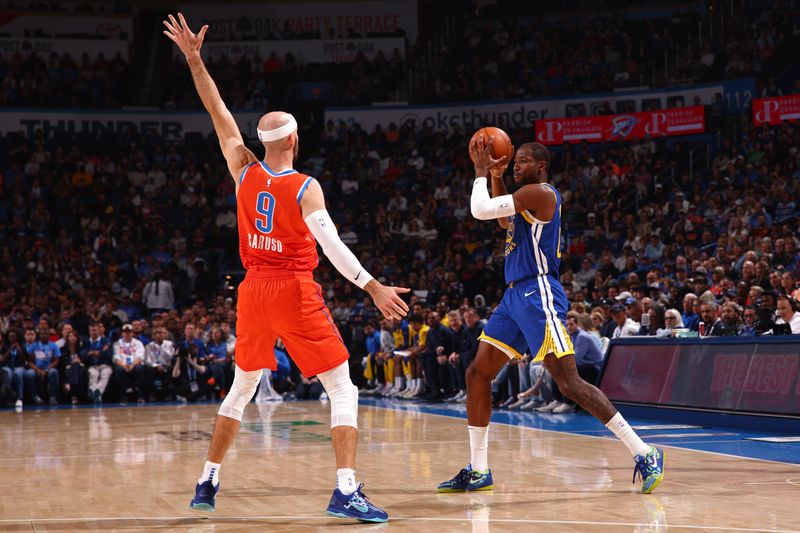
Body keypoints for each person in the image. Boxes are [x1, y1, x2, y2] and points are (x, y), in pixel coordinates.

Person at [164, 13, 408, 522]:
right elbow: (334, 246)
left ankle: (208, 480)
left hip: (252, 291)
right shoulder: (305, 186)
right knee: (342, 387)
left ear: (265, 141)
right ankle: (345, 489)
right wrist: (372, 286)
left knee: (241, 386)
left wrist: (193, 59)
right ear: (295, 141)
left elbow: (218, 109)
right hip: (293, 289)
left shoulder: (241, 168)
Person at [437, 138, 663, 495]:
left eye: (522, 161)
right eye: (516, 162)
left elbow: (481, 210)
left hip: (538, 293)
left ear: (540, 167)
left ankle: (645, 451)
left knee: (568, 383)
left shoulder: (541, 193)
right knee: (477, 373)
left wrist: (480, 172)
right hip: (514, 296)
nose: (516, 165)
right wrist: (497, 176)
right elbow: (500, 219)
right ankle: (479, 469)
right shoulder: (521, 200)